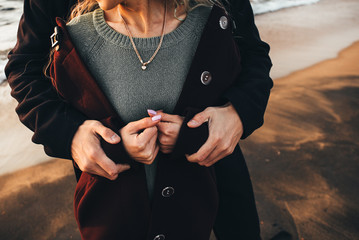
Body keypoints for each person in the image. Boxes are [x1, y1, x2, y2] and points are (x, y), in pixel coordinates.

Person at [5, 0, 273, 239]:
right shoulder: (81, 33)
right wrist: (69, 133)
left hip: (213, 144)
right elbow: (24, 66)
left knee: (240, 226)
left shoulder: (209, 21)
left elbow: (251, 52)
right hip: (114, 176)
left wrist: (238, 112)